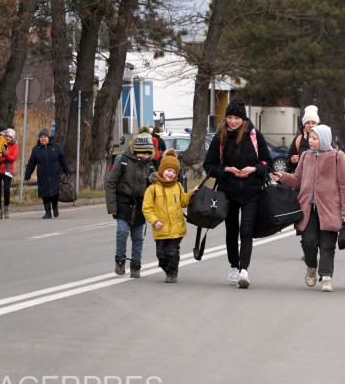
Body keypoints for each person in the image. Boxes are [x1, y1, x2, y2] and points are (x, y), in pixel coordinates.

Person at [272, 125, 345, 292]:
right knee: (308, 242)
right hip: (308, 209)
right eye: (310, 137)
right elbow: (297, 180)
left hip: (330, 210)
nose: (311, 141)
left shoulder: (338, 157)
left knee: (327, 245)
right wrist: (283, 177)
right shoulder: (306, 156)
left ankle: (326, 277)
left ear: (323, 139)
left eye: (315, 138)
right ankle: (311, 267)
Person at [203, 98, 272, 289]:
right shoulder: (220, 137)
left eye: (236, 118)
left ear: (243, 118)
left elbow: (267, 163)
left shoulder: (254, 136)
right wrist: (226, 170)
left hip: (252, 191)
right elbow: (208, 166)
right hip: (228, 192)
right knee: (231, 232)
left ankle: (244, 271)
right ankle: (234, 267)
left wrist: (253, 169)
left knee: (247, 230)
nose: (232, 121)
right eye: (229, 117)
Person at [105, 132, 157, 278]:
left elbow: (154, 189)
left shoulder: (149, 166)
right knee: (122, 232)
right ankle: (120, 261)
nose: (145, 156)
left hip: (140, 206)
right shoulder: (123, 161)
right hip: (123, 203)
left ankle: (136, 264)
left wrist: (155, 181)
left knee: (138, 237)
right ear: (136, 150)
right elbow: (111, 183)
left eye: (148, 153)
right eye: (142, 153)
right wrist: (112, 207)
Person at [141, 149, 197, 283]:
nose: (171, 174)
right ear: (161, 170)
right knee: (161, 254)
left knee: (172, 252)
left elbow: (183, 202)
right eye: (168, 170)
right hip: (160, 229)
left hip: (176, 228)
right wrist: (154, 221)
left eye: (174, 172)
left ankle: (172, 273)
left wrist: (191, 193)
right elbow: (147, 208)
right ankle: (167, 267)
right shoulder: (152, 189)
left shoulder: (177, 186)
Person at [24, 129, 71, 219]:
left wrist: (67, 170)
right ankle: (48, 212)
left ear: (48, 138)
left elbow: (63, 159)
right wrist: (27, 175)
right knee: (45, 195)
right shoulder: (36, 149)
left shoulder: (56, 147)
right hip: (42, 176)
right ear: (39, 139)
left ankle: (55, 208)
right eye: (41, 137)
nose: (43, 139)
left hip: (55, 175)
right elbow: (31, 163)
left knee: (54, 194)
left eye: (45, 137)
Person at [0, 128, 18, 219]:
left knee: (6, 190)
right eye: (6, 136)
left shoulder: (15, 146)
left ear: (13, 138)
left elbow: (12, 159)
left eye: (10, 137)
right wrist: (1, 159)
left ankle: (6, 208)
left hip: (8, 172)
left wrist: (5, 153)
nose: (8, 138)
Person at [287, 105, 319, 172]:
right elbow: (288, 164)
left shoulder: (325, 139)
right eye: (307, 123)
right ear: (304, 125)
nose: (310, 125)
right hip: (302, 179)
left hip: (320, 179)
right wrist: (292, 161)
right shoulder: (298, 140)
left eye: (313, 123)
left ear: (317, 124)